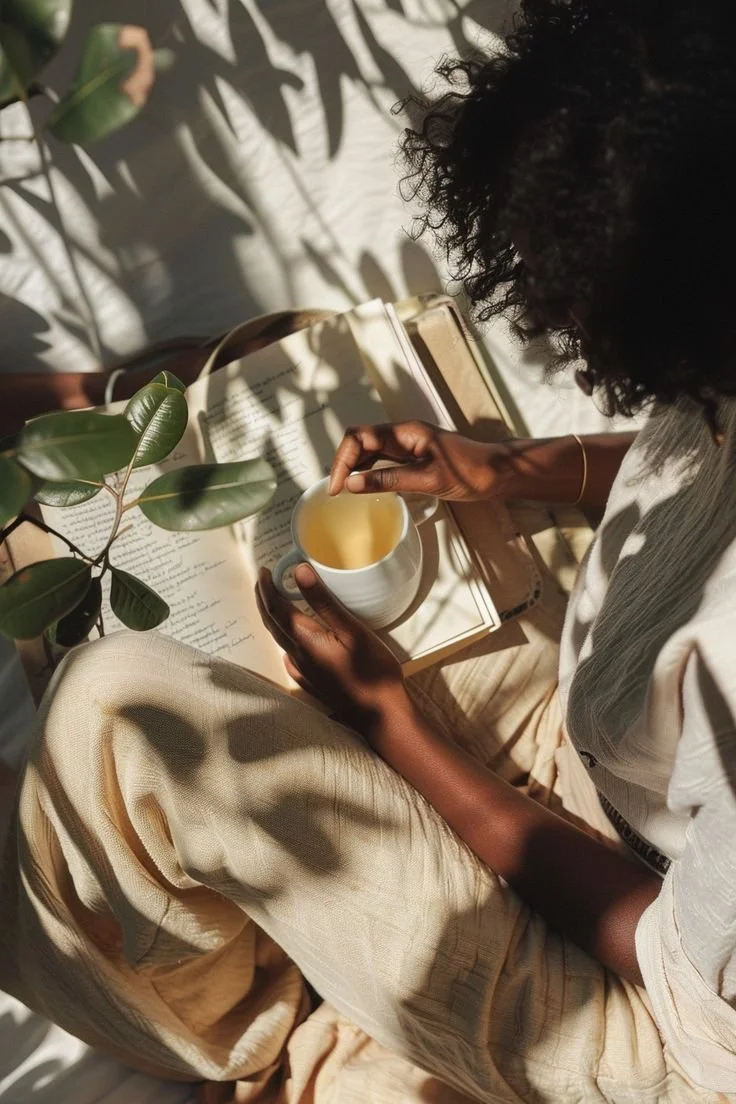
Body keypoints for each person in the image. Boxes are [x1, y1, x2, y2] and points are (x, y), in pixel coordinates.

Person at [2, 0, 736, 1100]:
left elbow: (670, 956)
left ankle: (255, 1032)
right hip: (606, 755)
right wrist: (514, 471)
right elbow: (695, 451)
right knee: (383, 597)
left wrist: (387, 728)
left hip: (653, 1004)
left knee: (117, 711)